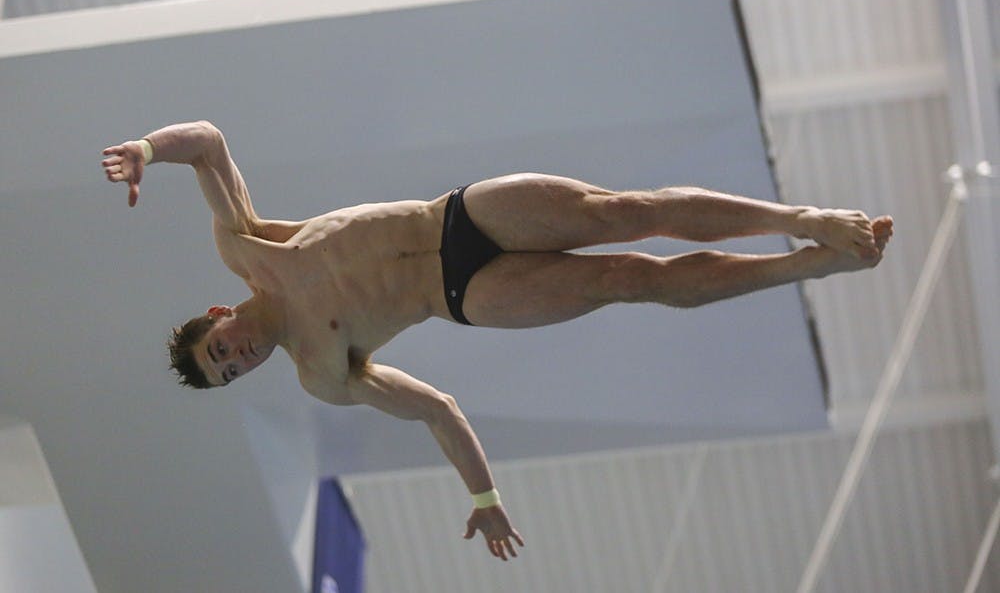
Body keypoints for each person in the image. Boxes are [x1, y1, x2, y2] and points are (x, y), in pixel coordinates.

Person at [102, 121, 893, 561]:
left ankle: (801, 220)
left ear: (219, 312)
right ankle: (806, 270)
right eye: (230, 372)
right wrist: (482, 498)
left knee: (628, 211)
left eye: (220, 348)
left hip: (459, 217)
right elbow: (437, 408)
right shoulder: (320, 374)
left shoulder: (245, 249)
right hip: (467, 295)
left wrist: (144, 149)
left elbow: (206, 140)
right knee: (630, 279)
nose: (236, 359)